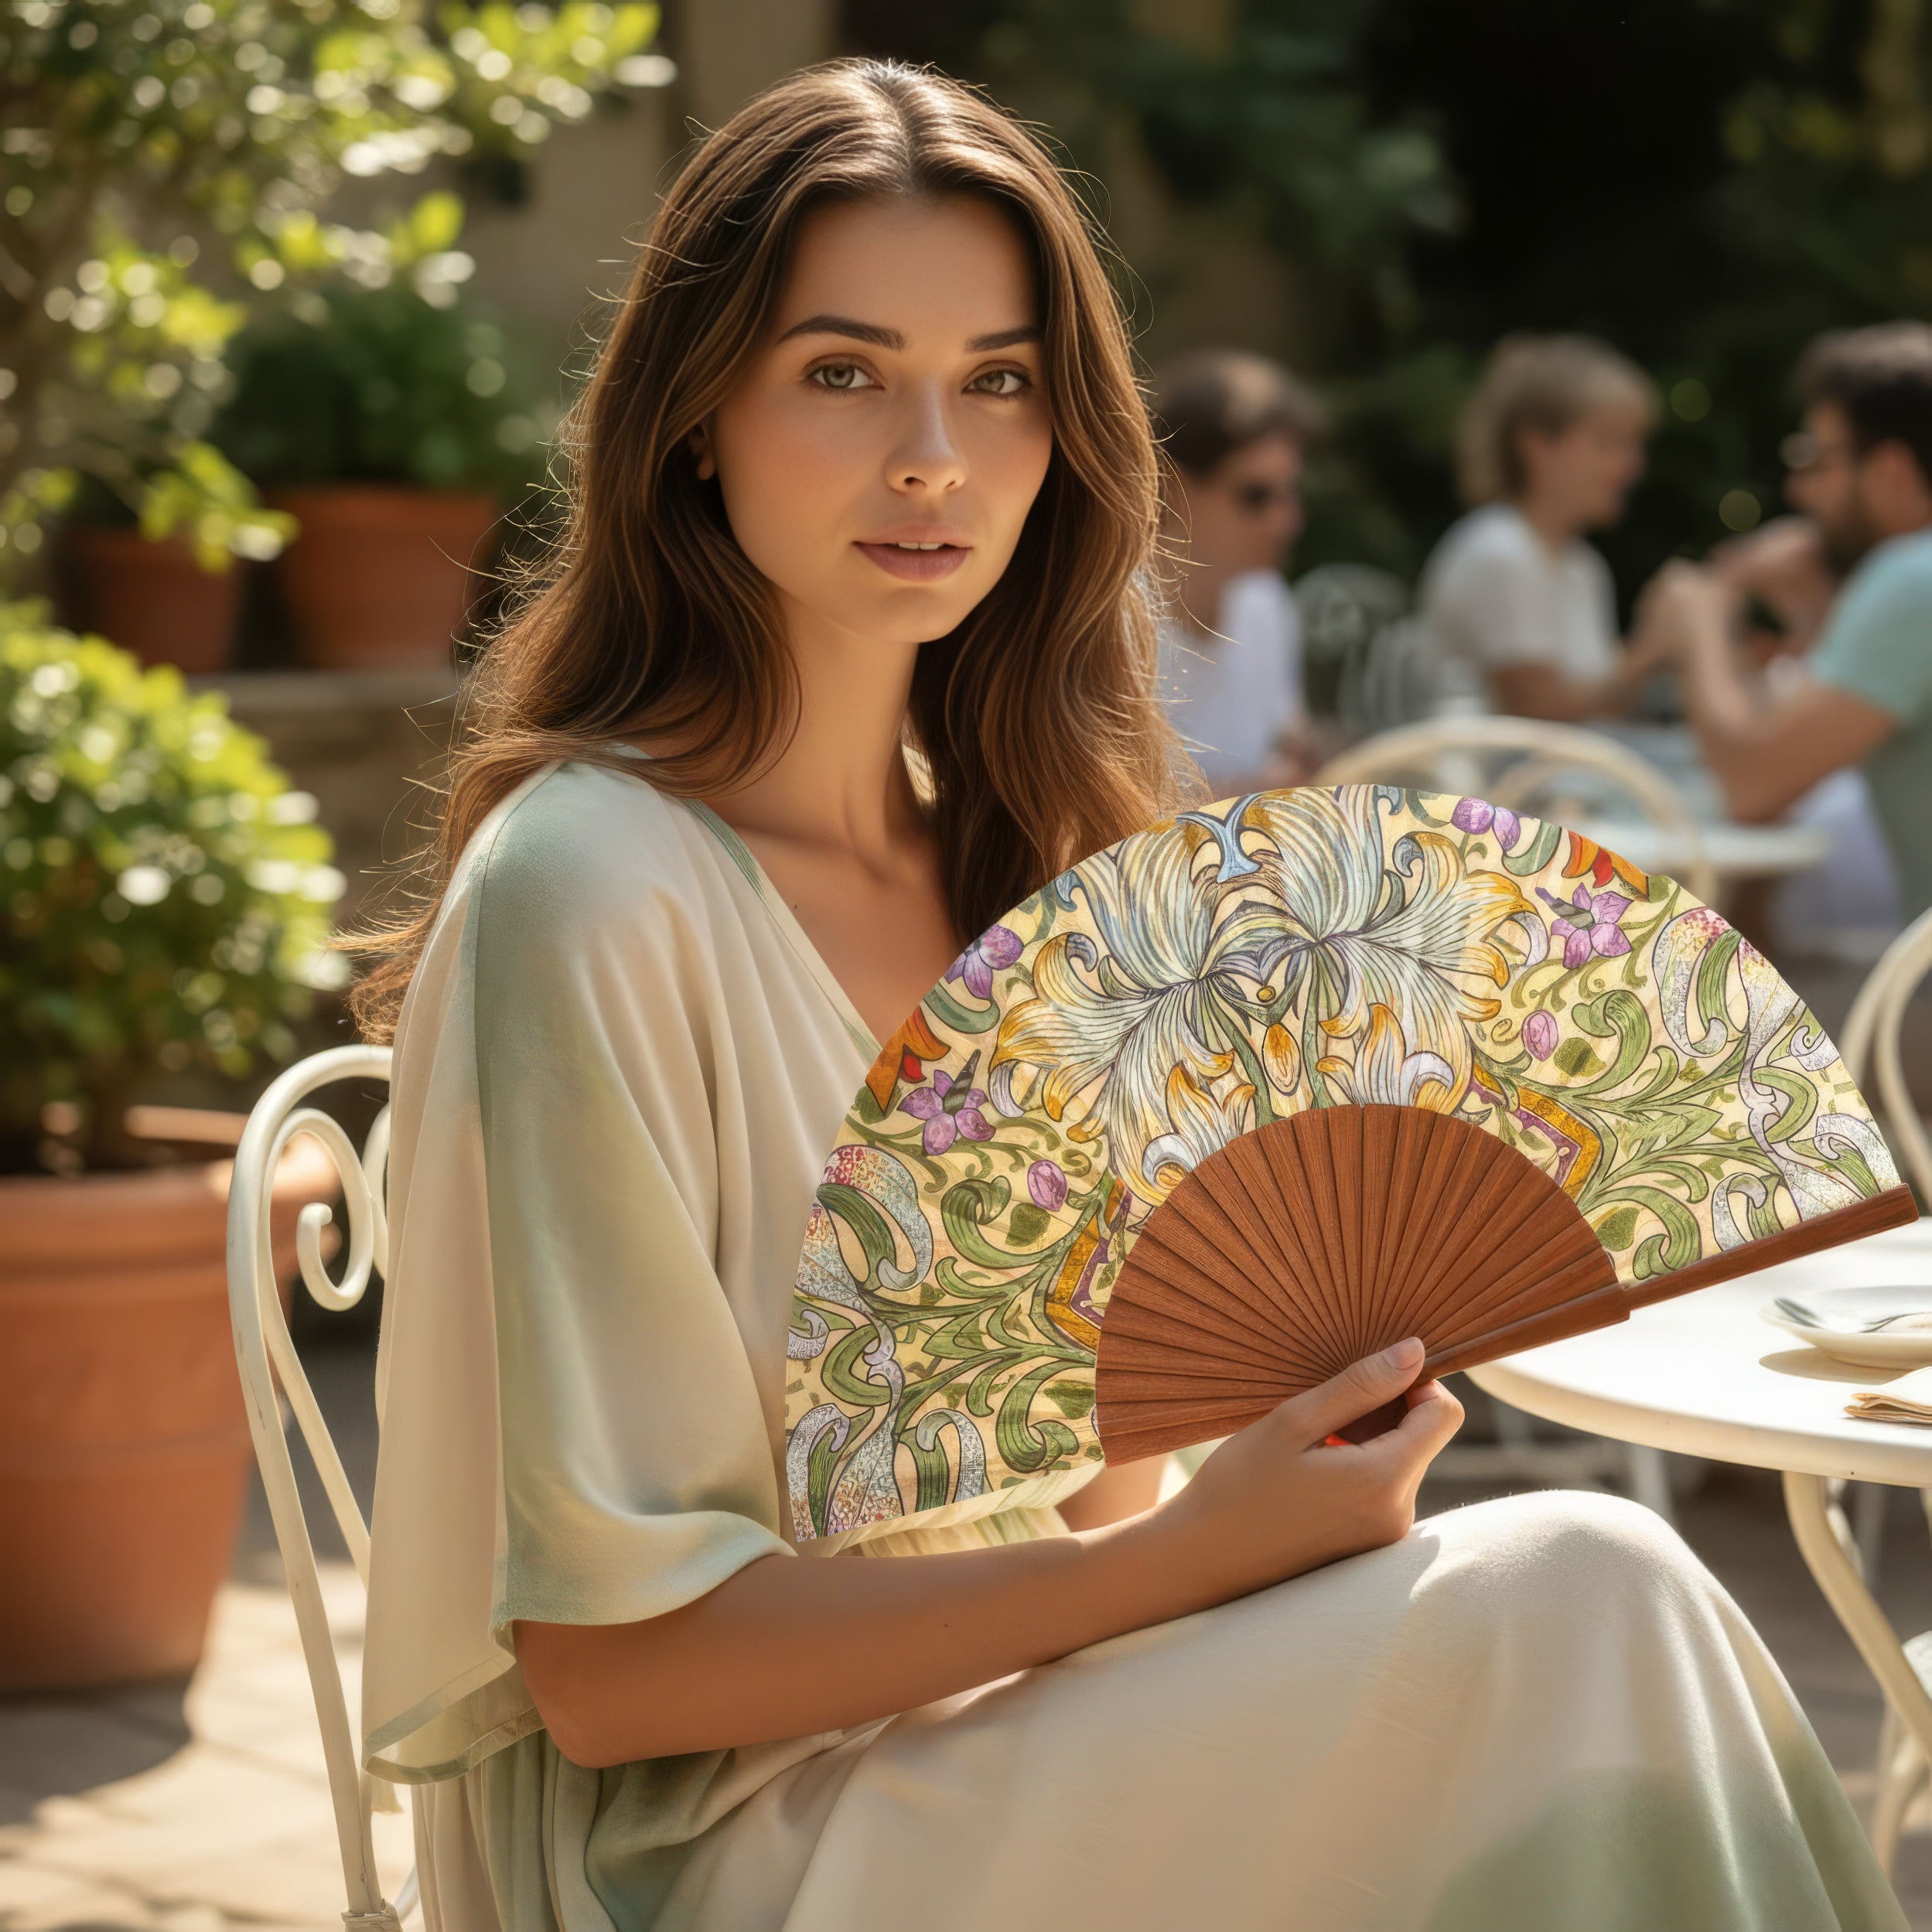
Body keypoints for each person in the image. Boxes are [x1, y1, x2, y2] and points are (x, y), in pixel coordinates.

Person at [350, 62, 1906, 1932]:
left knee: (1578, 1617)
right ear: (696, 420)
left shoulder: (1017, 867)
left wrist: (1282, 1462)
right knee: (1579, 1586)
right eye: (840, 370)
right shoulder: (588, 891)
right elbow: (620, 1676)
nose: (931, 451)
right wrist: (1189, 1551)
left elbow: (1090, 1501)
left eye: (995, 378)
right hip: (736, 1843)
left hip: (1023, 1725)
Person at [1643, 323, 1932, 920]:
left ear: (1891, 472)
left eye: (1816, 459)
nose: (1799, 490)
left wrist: (1701, 618)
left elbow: (1752, 786)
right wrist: (1825, 613)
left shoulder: (1912, 578)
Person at [1421, 333, 1666, 720]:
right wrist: (1652, 649)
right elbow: (1539, 715)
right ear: (1536, 444)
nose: (1631, 467)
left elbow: (1602, 706)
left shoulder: (1580, 564)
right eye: (1608, 444)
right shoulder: (1501, 554)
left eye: (1633, 446)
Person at [1153, 350, 1324, 794]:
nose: (1287, 520)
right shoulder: (1105, 616)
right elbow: (1094, 817)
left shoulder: (1264, 598)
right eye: (1256, 495)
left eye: (1289, 492)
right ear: (1176, 489)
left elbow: (1289, 741)